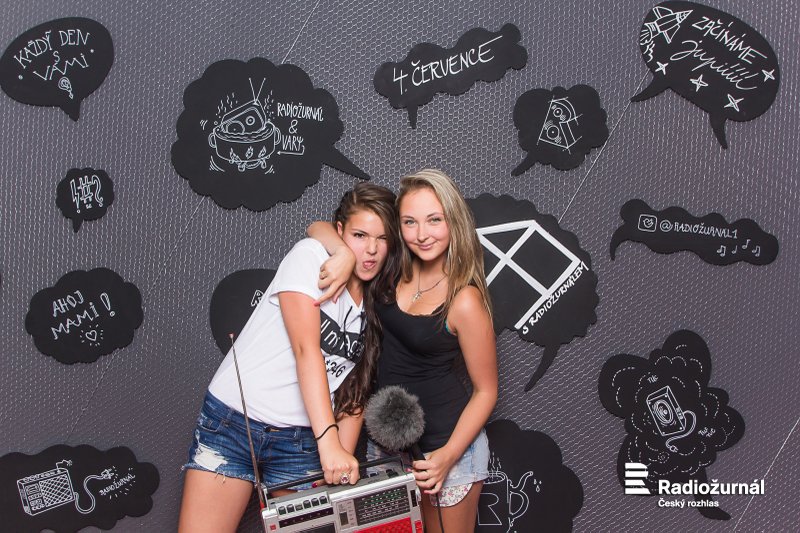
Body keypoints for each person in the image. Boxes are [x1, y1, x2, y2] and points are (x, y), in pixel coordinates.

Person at [178, 183, 400, 533]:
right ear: (340, 232)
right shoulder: (310, 257)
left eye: (382, 238)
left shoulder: (378, 304)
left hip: (302, 440)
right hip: (234, 424)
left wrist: (340, 461)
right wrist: (330, 444)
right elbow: (305, 350)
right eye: (359, 236)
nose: (370, 250)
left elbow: (355, 391)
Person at [309, 169, 497, 533]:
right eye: (410, 222)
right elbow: (317, 228)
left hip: (447, 450)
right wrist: (343, 254)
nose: (421, 234)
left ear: (454, 221)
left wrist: (447, 456)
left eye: (434, 220)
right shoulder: (390, 269)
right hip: (387, 448)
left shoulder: (465, 299)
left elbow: (486, 391)